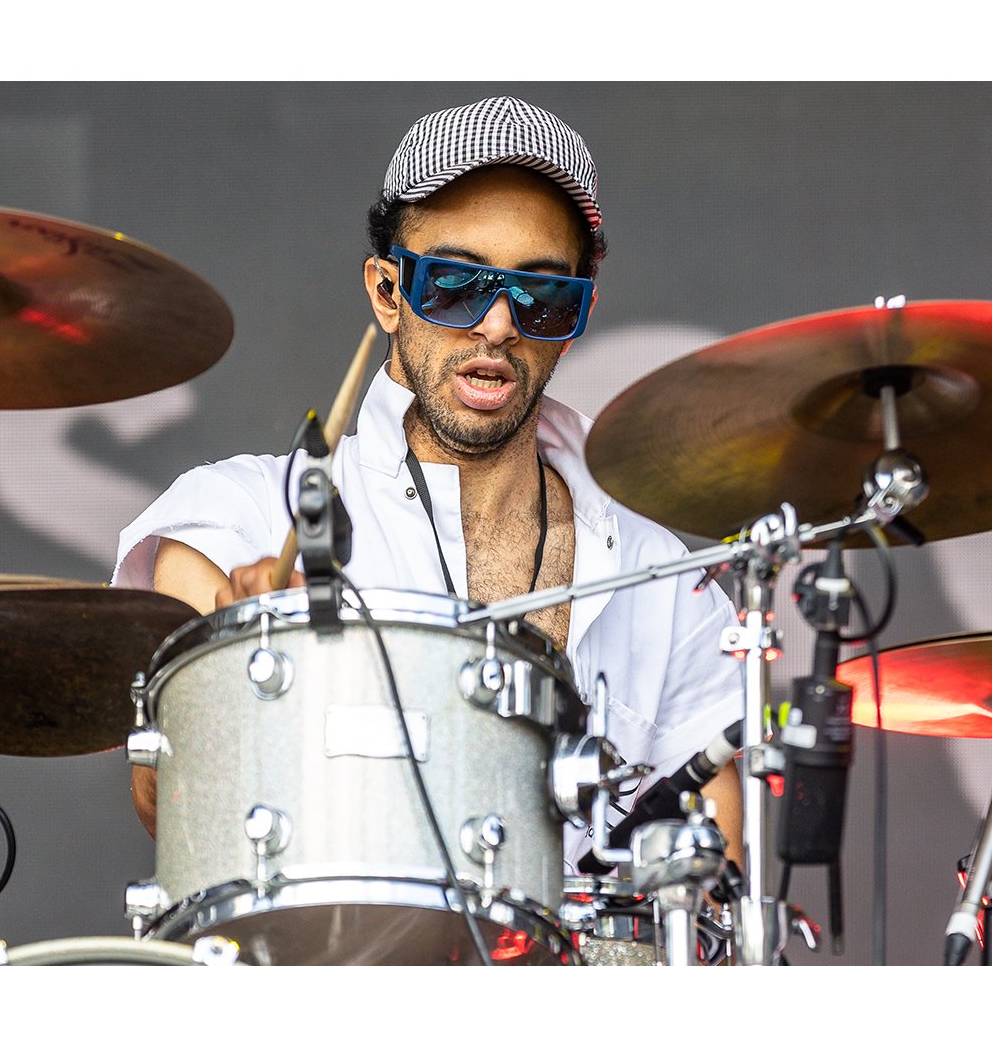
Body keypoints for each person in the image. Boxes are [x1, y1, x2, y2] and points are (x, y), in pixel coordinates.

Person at [114, 94, 744, 871]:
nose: (498, 325)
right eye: (455, 282)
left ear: (578, 316)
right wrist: (230, 681)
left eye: (543, 296)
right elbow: (164, 798)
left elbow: (714, 879)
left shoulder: (663, 579)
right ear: (388, 292)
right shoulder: (236, 516)